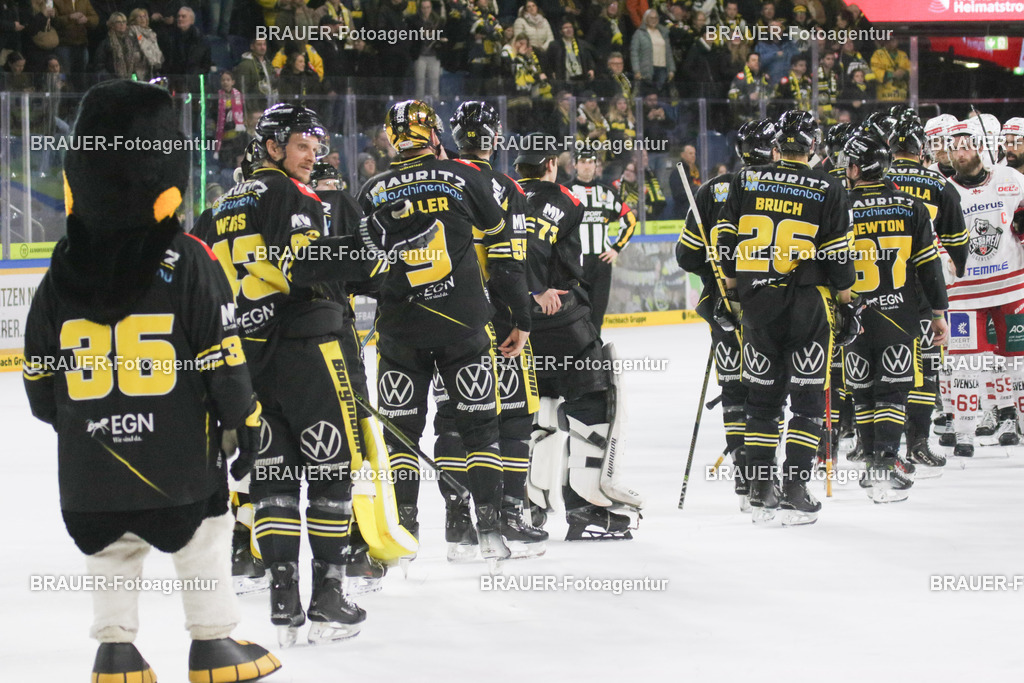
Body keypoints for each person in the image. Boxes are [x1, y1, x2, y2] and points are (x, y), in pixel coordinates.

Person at [22, 79, 280, 683]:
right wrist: (243, 417)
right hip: (179, 460)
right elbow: (221, 353)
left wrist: (81, 421)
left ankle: (116, 652)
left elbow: (38, 380)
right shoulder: (188, 258)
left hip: (91, 468)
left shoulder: (60, 272)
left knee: (110, 549)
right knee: (206, 533)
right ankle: (212, 642)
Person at [200, 103, 381, 647]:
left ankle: (283, 598)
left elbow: (198, 286)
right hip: (308, 353)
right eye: (303, 145)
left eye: (316, 146)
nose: (312, 155)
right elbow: (304, 265)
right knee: (331, 469)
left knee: (273, 478)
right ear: (274, 147)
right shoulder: (292, 194)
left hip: (251, 363)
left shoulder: (219, 206)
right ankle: (328, 596)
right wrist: (370, 250)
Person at [356, 100, 529, 569]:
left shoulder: (372, 189)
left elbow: (362, 266)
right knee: (479, 428)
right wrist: (520, 317)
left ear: (392, 139)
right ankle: (487, 531)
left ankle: (404, 535)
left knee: (401, 437)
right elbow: (503, 252)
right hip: (463, 324)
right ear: (434, 134)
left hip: (400, 329)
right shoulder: (465, 177)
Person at [714, 110, 858, 526]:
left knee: (761, 400)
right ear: (812, 147)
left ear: (777, 146)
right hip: (808, 306)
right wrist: (846, 304)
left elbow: (725, 241)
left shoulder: (746, 179)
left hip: (757, 304)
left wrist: (730, 293)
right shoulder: (829, 186)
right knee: (809, 399)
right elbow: (839, 256)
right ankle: (795, 486)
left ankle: (761, 488)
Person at [515, 133, 643, 540]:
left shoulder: (500, 196)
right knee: (594, 395)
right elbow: (541, 251)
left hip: (511, 323)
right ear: (551, 164)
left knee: (538, 405)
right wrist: (540, 290)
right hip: (557, 315)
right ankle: (587, 506)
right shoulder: (566, 200)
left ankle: (528, 504)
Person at [435, 101, 545, 560]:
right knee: (514, 415)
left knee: (452, 418)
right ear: (494, 138)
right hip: (495, 322)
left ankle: (457, 522)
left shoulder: (433, 180)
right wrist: (522, 318)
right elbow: (509, 263)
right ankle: (509, 517)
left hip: (443, 320)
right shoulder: (504, 187)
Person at [842, 130, 949, 503]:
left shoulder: (839, 205)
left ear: (857, 168)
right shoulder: (911, 206)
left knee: (863, 391)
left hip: (853, 316)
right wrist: (938, 312)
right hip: (898, 315)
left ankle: (873, 460)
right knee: (892, 390)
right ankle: (885, 463)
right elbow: (929, 267)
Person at [676, 119, 777, 512]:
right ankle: (766, 477)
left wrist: (715, 276)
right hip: (775, 307)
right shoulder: (792, 189)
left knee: (735, 388)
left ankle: (743, 471)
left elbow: (687, 256)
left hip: (725, 309)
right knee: (767, 390)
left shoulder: (713, 189)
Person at [885, 113, 969, 466]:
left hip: (879, 287)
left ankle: (878, 449)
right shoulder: (939, 184)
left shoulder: (876, 181)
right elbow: (958, 241)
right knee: (927, 365)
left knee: (885, 368)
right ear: (921, 151)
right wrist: (958, 269)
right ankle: (918, 442)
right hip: (923, 287)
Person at [941, 116, 1024, 457]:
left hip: (1011, 288)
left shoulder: (1010, 179)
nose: (959, 153)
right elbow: (933, 235)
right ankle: (964, 433)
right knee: (964, 365)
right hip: (965, 294)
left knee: (1017, 361)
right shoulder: (943, 189)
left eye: (966, 145)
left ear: (981, 147)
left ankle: (1017, 421)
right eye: (954, 147)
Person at [570, 148, 638, 334]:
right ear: (575, 165)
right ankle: (577, 350)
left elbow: (630, 220)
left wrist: (616, 248)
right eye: (582, 162)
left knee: (597, 314)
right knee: (574, 314)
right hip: (574, 264)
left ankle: (595, 351)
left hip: (601, 263)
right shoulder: (566, 192)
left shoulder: (607, 194)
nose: (587, 166)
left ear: (596, 165)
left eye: (590, 162)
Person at [630, 8, 672, 93]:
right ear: (646, 19)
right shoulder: (639, 33)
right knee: (648, 95)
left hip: (662, 69)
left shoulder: (663, 32)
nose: (654, 20)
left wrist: (671, 69)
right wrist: (636, 70)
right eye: (651, 18)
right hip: (647, 70)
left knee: (661, 94)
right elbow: (634, 53)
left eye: (656, 18)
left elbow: (668, 53)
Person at [870, 36, 909, 103]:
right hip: (885, 97)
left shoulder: (903, 54)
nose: (892, 42)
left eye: (894, 40)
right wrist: (893, 74)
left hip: (901, 96)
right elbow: (875, 72)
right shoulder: (878, 54)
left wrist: (904, 73)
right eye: (890, 40)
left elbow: (911, 71)